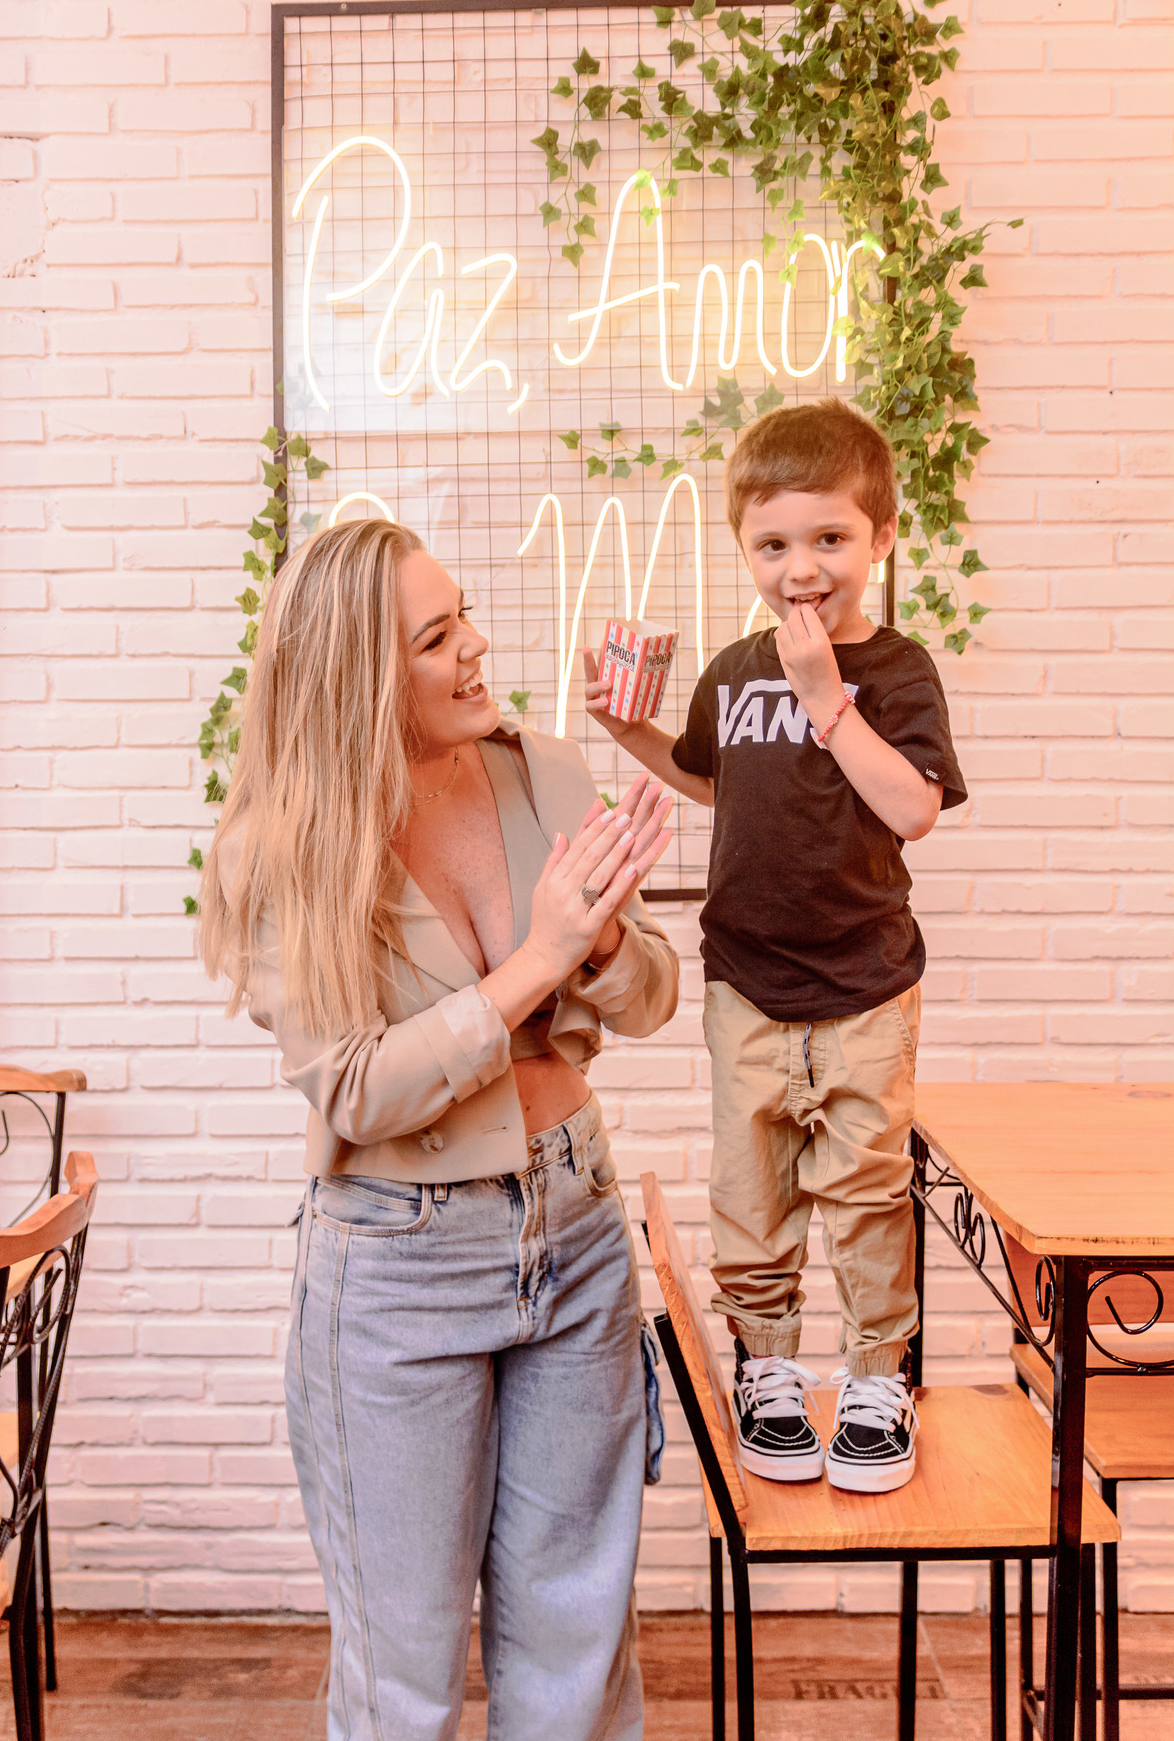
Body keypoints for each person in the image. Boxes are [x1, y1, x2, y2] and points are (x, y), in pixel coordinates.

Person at [198, 517, 680, 1740]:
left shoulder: (543, 773)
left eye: (463, 617)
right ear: (360, 676)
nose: (476, 648)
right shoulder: (284, 848)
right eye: (435, 637)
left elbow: (654, 995)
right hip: (399, 1266)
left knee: (577, 1656)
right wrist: (540, 960)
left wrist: (605, 945)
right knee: (404, 1674)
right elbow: (355, 1089)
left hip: (575, 1231)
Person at [584, 398, 968, 1494]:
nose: (802, 569)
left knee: (866, 1193)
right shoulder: (733, 667)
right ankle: (769, 1372)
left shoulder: (897, 671)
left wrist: (827, 703)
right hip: (746, 987)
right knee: (751, 1197)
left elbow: (914, 810)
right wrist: (628, 730)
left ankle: (877, 1381)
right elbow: (716, 781)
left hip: (865, 987)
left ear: (881, 536)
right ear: (744, 549)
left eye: (829, 538)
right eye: (773, 546)